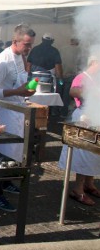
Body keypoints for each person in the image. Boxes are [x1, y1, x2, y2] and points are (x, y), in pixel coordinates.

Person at [0, 24, 37, 212]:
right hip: (5, 112)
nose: (29, 48)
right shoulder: (3, 60)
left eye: (30, 45)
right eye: (26, 44)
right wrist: (17, 91)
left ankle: (6, 182)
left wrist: (26, 90)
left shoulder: (20, 57)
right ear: (15, 41)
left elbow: (20, 81)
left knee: (13, 152)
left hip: (18, 110)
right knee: (1, 154)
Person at [58, 55, 100, 206]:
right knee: (85, 155)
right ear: (94, 62)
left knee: (95, 155)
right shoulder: (82, 77)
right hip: (83, 118)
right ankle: (78, 190)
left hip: (95, 117)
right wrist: (92, 93)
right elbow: (73, 92)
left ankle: (90, 184)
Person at [26, 33, 64, 115]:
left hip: (34, 77)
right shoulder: (54, 51)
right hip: (47, 78)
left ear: (42, 39)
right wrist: (60, 78)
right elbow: (58, 66)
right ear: (52, 41)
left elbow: (28, 64)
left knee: (32, 95)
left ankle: (31, 113)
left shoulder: (35, 49)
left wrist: (27, 75)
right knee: (46, 97)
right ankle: (46, 114)